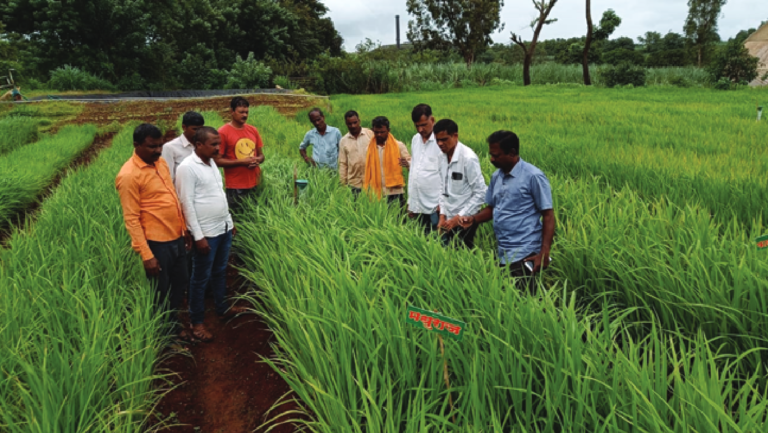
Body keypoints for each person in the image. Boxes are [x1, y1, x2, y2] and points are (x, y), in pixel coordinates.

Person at [115, 123, 193, 343]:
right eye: (152, 146)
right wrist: (146, 254)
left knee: (181, 281)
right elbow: (131, 218)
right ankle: (165, 333)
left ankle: (172, 321)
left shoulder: (160, 163)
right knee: (161, 289)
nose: (158, 151)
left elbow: (172, 197)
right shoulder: (129, 175)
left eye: (160, 145)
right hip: (156, 242)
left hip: (176, 236)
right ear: (136, 145)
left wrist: (184, 228)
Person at [460, 131, 555, 291]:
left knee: (525, 302)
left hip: (525, 250)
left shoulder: (533, 177)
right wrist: (473, 219)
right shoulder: (497, 176)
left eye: (496, 155)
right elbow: (492, 208)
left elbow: (548, 215)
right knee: (507, 299)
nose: (491, 159)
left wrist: (544, 252)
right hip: (503, 250)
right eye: (491, 155)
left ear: (511, 153)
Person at [175, 127, 246, 342]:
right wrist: (198, 236)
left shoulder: (212, 162)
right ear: (198, 145)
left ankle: (222, 308)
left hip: (222, 228)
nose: (218, 148)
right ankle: (197, 322)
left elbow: (218, 194)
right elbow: (186, 203)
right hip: (206, 233)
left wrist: (229, 222)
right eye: (213, 144)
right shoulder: (187, 168)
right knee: (200, 277)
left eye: (219, 143)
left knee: (220, 270)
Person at [433, 119, 487, 249]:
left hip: (465, 221)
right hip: (448, 218)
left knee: (464, 253)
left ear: (455, 136)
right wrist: (442, 216)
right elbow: (443, 188)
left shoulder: (468, 158)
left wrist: (458, 218)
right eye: (437, 140)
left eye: (444, 139)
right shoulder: (441, 157)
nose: (440, 144)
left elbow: (481, 192)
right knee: (450, 252)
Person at [216, 96, 265, 211]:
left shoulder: (253, 130)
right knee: (238, 218)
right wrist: (242, 161)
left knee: (255, 215)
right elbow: (217, 160)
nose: (245, 115)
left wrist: (257, 160)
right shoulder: (223, 132)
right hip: (235, 185)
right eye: (241, 112)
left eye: (247, 112)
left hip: (255, 181)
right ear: (232, 112)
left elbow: (261, 155)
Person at [407, 104, 443, 234]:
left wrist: (443, 203)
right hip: (418, 204)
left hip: (436, 206)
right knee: (421, 240)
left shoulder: (442, 142)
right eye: (417, 126)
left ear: (432, 120)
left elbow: (447, 174)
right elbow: (413, 171)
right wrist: (410, 201)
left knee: (439, 241)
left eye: (423, 125)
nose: (420, 129)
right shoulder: (415, 140)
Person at [363, 116, 411, 207]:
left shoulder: (398, 146)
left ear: (389, 130)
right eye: (376, 132)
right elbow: (367, 171)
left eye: (382, 132)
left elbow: (411, 165)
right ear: (373, 130)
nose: (379, 135)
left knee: (398, 219)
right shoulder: (369, 149)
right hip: (377, 192)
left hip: (395, 191)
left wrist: (407, 164)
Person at [162, 111, 205, 182]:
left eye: (201, 129)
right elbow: (168, 177)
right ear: (184, 127)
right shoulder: (170, 147)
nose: (198, 132)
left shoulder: (203, 145)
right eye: (195, 129)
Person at [338, 110, 374, 194]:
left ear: (359, 121)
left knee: (373, 205)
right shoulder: (343, 141)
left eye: (355, 122)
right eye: (349, 124)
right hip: (354, 183)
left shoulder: (370, 134)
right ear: (346, 124)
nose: (353, 126)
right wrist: (343, 184)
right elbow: (343, 163)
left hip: (371, 181)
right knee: (355, 206)